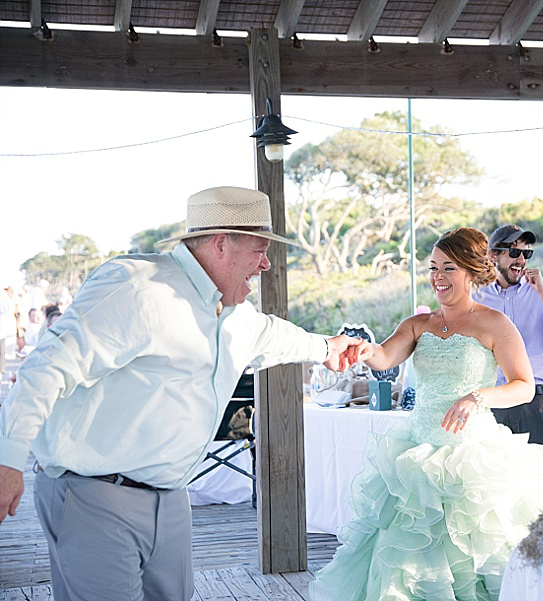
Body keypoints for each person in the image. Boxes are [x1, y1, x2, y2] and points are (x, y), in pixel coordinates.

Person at [0, 186, 365, 601]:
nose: (265, 264)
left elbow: (275, 336)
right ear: (220, 243)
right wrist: (7, 460)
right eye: (259, 250)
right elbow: (45, 368)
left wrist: (326, 348)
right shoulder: (138, 288)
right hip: (93, 496)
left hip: (172, 501)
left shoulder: (236, 314)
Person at [309, 227, 543, 601]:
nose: (437, 277)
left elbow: (523, 385)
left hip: (472, 456)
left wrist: (476, 396)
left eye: (447, 268)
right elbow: (384, 356)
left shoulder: (495, 323)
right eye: (433, 268)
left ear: (471, 271)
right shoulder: (419, 324)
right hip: (418, 455)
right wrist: (364, 350)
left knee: (473, 560)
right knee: (410, 560)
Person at [476, 224, 543, 448]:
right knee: (497, 477)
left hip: (534, 404)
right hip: (492, 403)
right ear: (493, 255)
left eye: (526, 253)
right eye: (513, 252)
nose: (521, 259)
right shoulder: (478, 297)